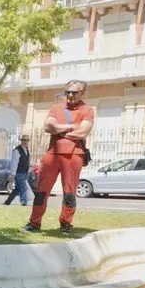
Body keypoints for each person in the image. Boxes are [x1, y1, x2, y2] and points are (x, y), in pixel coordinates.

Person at [25, 80, 95, 234]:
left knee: (69, 191)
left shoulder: (88, 110)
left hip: (74, 154)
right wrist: (71, 127)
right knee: (42, 190)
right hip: (52, 154)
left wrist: (59, 131)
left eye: (74, 92)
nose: (70, 95)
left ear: (82, 93)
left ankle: (66, 224)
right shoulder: (56, 108)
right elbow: (48, 127)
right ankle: (34, 223)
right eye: (68, 92)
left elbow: (83, 132)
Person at [4, 134, 32, 206]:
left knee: (17, 189)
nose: (25, 142)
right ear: (21, 141)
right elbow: (14, 163)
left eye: (27, 140)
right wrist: (12, 174)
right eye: (24, 140)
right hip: (18, 172)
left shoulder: (27, 149)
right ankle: (24, 202)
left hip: (25, 172)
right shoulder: (16, 150)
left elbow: (27, 161)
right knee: (23, 187)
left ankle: (8, 201)